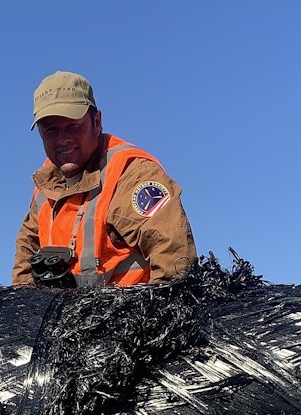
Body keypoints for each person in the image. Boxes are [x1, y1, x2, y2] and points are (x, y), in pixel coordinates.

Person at [12, 71, 196, 287]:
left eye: (73, 125)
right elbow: (25, 259)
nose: (63, 139)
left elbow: (174, 257)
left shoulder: (132, 174)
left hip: (132, 316)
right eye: (51, 130)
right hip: (67, 318)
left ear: (97, 121)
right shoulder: (47, 184)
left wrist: (156, 315)